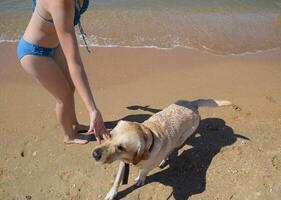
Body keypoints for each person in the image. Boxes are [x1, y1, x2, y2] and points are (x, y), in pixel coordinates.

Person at [17, 0, 110, 144]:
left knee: (71, 86)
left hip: (53, 46)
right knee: (64, 95)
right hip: (34, 52)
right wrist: (93, 110)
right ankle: (69, 136)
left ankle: (74, 125)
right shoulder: (62, 2)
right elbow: (75, 62)